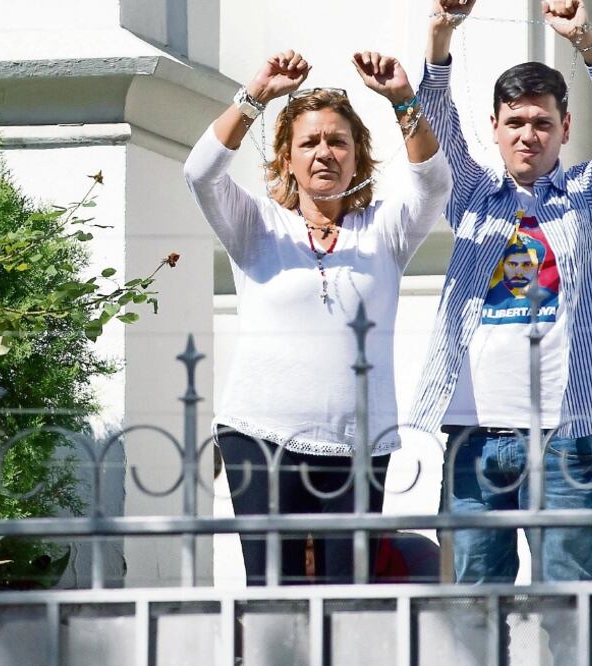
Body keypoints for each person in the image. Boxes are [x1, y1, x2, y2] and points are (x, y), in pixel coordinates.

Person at [412, 0, 592, 621]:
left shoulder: (590, 198)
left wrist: (586, 43)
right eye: (514, 121)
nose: (527, 134)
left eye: (542, 123)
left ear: (565, 129)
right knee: (472, 611)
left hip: (566, 437)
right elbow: (437, 132)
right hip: (473, 435)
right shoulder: (471, 197)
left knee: (571, 609)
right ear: (495, 126)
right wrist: (439, 36)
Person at [184, 49, 451, 585]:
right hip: (260, 436)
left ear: (358, 158)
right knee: (270, 594)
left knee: (348, 596)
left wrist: (403, 99)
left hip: (358, 443)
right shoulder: (257, 225)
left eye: (338, 141)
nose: (324, 152)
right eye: (309, 142)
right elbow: (201, 173)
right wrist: (256, 94)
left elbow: (434, 184)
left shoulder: (385, 232)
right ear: (287, 158)